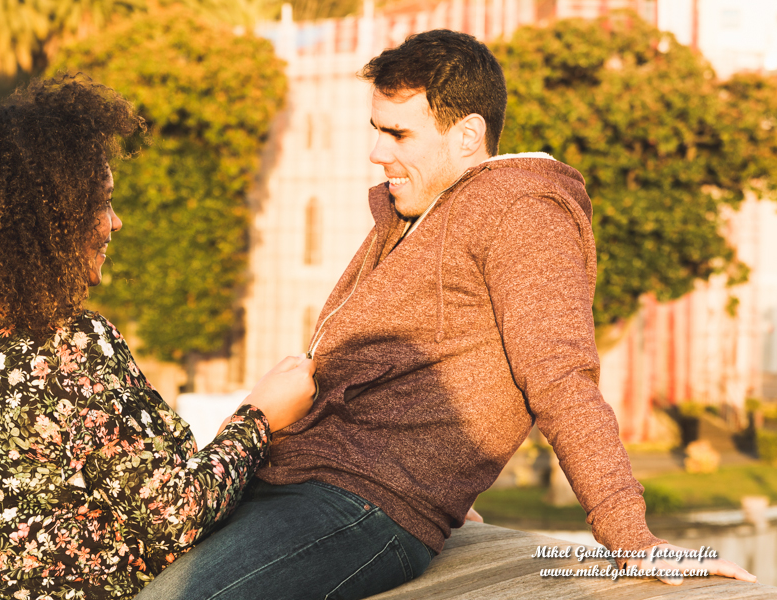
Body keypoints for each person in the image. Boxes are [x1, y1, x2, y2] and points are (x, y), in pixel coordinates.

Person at [136, 30, 757, 600]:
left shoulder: (525, 213)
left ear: (467, 135)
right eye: (376, 128)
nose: (377, 152)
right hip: (296, 480)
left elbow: (559, 376)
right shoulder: (412, 213)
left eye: (398, 134)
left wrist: (631, 538)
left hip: (360, 504)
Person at [0, 75, 316, 599]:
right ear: (48, 223)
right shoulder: (68, 341)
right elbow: (174, 515)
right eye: (101, 204)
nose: (117, 223)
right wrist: (259, 416)